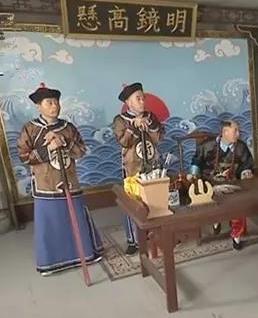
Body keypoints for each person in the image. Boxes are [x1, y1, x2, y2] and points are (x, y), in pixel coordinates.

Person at [18, 83, 104, 276]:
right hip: (46, 185)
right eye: (49, 103)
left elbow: (81, 150)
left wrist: (63, 142)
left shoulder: (68, 127)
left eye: (56, 102)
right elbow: (24, 157)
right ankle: (52, 261)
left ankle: (85, 254)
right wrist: (47, 148)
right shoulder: (30, 129)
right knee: (51, 223)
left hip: (70, 182)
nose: (54, 106)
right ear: (38, 106)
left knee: (77, 220)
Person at [113, 82, 165, 255]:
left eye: (143, 98)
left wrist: (149, 125)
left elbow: (159, 137)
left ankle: (158, 234)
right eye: (138, 98)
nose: (142, 101)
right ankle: (134, 240)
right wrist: (133, 127)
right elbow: (123, 142)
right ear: (128, 102)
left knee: (156, 199)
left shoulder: (151, 116)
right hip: (132, 167)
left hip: (152, 165)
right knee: (133, 203)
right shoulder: (120, 120)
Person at [190, 120, 254, 250]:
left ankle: (236, 236)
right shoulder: (207, 146)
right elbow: (197, 162)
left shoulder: (241, 147)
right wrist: (193, 175)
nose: (238, 134)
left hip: (233, 183)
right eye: (235, 131)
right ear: (225, 132)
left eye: (238, 131)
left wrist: (246, 173)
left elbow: (247, 164)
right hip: (210, 183)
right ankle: (216, 220)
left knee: (238, 205)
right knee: (212, 201)